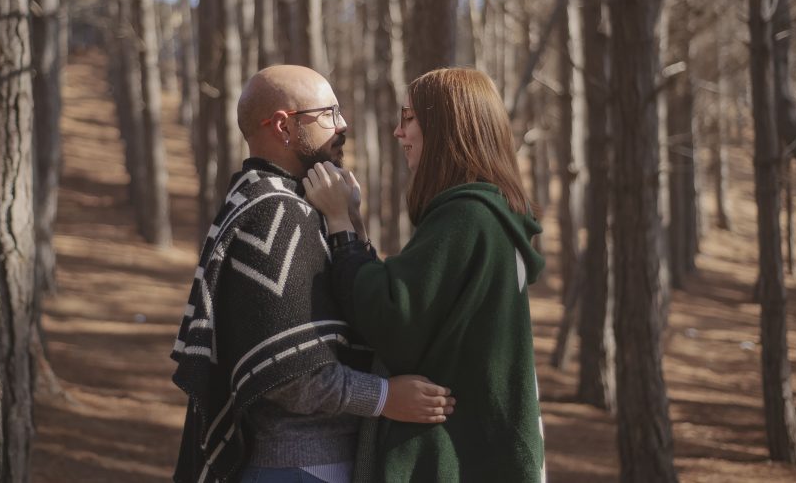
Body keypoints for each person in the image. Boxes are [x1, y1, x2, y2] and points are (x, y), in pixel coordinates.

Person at [171, 65, 455, 483]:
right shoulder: (276, 213)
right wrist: (385, 398)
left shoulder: (267, 199)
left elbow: (355, 305)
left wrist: (350, 220)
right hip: (299, 467)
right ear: (284, 127)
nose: (344, 125)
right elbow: (292, 377)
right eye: (329, 113)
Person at [303, 67, 546, 482]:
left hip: (452, 457)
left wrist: (339, 222)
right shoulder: (492, 215)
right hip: (479, 453)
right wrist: (356, 224)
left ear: (449, 129)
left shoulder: (468, 217)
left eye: (410, 118)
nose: (399, 132)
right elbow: (416, 301)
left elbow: (390, 317)